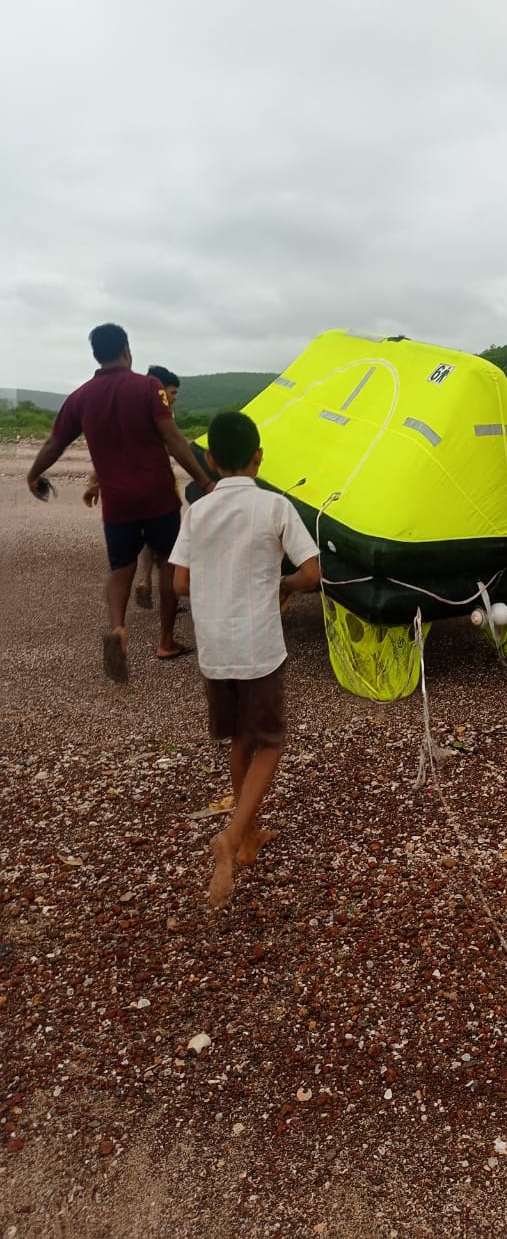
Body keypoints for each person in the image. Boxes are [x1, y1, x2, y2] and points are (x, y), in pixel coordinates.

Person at [169, 411, 321, 910]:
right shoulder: (275, 506)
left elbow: (180, 584)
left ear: (210, 460)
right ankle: (233, 836)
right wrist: (284, 586)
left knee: (240, 738)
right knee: (271, 742)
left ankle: (251, 835)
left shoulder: (199, 511)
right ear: (259, 457)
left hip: (214, 649)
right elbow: (313, 572)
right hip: (258, 647)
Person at [27, 324, 214, 684]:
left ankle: (117, 628)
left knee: (121, 568)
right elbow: (173, 438)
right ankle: (165, 642)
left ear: (96, 355)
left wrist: (33, 473)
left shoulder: (80, 397)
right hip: (158, 497)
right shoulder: (148, 387)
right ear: (127, 349)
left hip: (117, 503)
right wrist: (205, 480)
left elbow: (54, 443)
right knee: (166, 564)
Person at [83, 365, 182, 610]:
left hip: (124, 496)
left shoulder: (128, 410)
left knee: (143, 548)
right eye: (172, 392)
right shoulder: (159, 414)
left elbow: (108, 450)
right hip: (157, 493)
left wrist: (94, 484)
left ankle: (144, 585)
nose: (174, 397)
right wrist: (205, 479)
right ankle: (167, 632)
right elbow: (174, 445)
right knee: (166, 554)